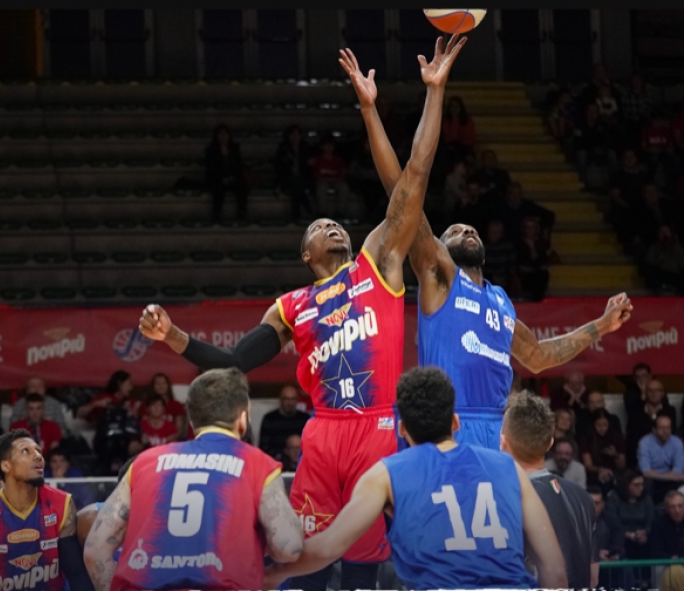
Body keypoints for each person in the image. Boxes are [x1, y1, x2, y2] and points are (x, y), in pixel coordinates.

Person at [137, 36, 467, 591]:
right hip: (323, 433)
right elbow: (235, 363)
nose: (332, 227)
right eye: (318, 230)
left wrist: (422, 96)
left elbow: (413, 177)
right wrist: (174, 337)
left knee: (365, 564)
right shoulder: (292, 306)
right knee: (303, 558)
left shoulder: (377, 265)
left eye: (335, 224)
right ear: (306, 255)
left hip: (375, 427)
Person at [338, 39, 634, 450]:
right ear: (441, 246)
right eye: (456, 231)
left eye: (470, 229)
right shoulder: (439, 274)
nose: (468, 232)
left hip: (496, 432)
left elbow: (538, 356)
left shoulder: (500, 301)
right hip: (447, 427)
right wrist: (379, 108)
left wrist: (600, 326)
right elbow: (401, 191)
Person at [264, 367, 567, 590]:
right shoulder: (507, 468)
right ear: (455, 421)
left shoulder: (386, 474)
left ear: (402, 429)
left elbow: (328, 548)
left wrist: (271, 574)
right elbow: (555, 572)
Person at [82, 368, 304, 591]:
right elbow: (288, 547)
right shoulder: (258, 464)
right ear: (243, 418)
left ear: (191, 420)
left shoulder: (144, 462)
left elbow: (95, 550)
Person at [0, 429, 92, 591]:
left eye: (39, 451)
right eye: (26, 451)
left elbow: (76, 574)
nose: (38, 456)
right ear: (5, 465)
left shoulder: (62, 503)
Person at [500, 389, 598, 589]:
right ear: (550, 443)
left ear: (503, 443)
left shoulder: (506, 498)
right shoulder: (582, 496)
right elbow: (593, 578)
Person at [638, 414, 684, 504]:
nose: (665, 431)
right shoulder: (644, 442)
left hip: (668, 478)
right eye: (661, 428)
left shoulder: (677, 442)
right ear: (654, 430)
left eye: (668, 428)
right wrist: (669, 475)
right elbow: (646, 472)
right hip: (652, 480)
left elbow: (678, 471)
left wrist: (671, 475)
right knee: (647, 482)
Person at [258, 384, 311, 459]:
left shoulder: (305, 419)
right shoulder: (270, 419)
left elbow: (311, 446)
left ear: (297, 400)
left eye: (293, 399)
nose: (290, 403)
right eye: (286, 399)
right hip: (276, 462)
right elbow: (263, 448)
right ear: (280, 400)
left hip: (301, 462)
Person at [650, 490, 684, 559]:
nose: (677, 510)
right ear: (667, 508)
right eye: (672, 507)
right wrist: (672, 558)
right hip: (665, 564)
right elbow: (656, 551)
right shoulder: (658, 524)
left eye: (680, 506)